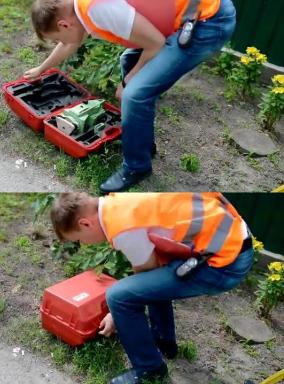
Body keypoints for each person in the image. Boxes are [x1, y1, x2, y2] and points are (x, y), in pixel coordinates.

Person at [26, 0, 236, 192]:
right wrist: (41, 69)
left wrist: (128, 82)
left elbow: (155, 44)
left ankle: (137, 167)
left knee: (134, 95)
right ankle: (142, 144)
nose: (58, 42)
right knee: (129, 61)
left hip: (207, 21)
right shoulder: (77, 10)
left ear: (64, 25)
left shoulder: (99, 9)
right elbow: (69, 42)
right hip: (188, 15)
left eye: (56, 39)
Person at [50, 192, 254, 384]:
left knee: (118, 296)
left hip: (225, 265)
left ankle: (149, 368)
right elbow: (151, 271)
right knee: (150, 282)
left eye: (79, 240)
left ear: (85, 223)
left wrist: (115, 314)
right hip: (232, 240)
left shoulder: (122, 227)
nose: (84, 244)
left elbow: (146, 271)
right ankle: (163, 341)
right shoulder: (116, 203)